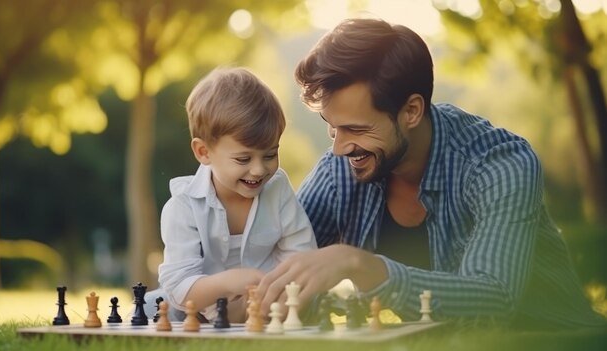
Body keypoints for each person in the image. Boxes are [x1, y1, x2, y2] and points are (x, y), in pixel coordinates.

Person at [255, 18, 606, 329]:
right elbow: (275, 264)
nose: (339, 148)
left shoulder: (500, 164)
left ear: (411, 111)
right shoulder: (341, 169)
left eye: (356, 129)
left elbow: (494, 300)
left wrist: (361, 266)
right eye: (332, 128)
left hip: (554, 337)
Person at [145, 67, 317, 322]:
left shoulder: (278, 190)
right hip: (196, 309)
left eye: (270, 155)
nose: (259, 169)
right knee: (153, 308)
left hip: (269, 304)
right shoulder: (183, 207)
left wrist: (270, 296)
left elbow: (301, 257)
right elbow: (180, 287)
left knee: (308, 307)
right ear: (204, 152)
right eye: (243, 158)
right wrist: (229, 283)